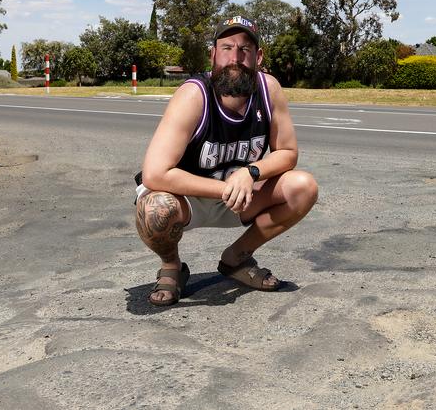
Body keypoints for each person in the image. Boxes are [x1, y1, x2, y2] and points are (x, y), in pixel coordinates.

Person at [135, 15, 318, 306]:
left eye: (245, 50)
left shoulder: (269, 90)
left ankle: (236, 259)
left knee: (303, 187)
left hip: (241, 196)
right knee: (154, 209)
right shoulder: (194, 96)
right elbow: (155, 174)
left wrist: (250, 172)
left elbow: (288, 153)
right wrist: (226, 188)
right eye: (227, 48)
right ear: (213, 54)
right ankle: (171, 267)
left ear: (258, 56)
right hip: (188, 199)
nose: (236, 58)